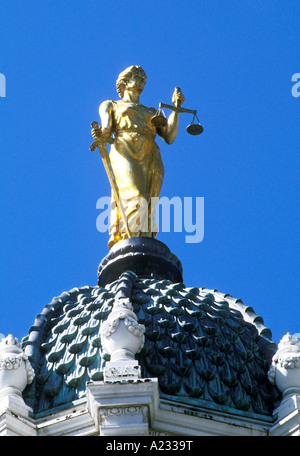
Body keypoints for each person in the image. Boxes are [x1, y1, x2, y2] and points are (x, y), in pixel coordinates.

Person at [92, 65, 185, 249]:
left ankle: (144, 237)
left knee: (149, 200)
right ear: (124, 81)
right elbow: (106, 129)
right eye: (137, 76)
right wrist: (99, 134)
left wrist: (176, 108)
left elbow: (170, 136)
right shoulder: (110, 104)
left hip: (151, 153)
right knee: (135, 195)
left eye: (144, 78)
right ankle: (128, 238)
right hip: (124, 148)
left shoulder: (151, 112)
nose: (142, 80)